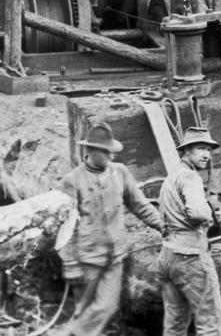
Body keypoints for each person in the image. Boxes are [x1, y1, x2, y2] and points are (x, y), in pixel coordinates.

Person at [57, 122, 163, 336]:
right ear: (90, 151)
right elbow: (64, 226)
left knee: (107, 306)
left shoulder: (120, 172)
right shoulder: (72, 180)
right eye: (106, 152)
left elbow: (139, 204)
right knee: (84, 309)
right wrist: (69, 262)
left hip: (115, 256)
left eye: (111, 152)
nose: (111, 157)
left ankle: (70, 333)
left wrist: (163, 226)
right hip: (87, 258)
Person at [158, 126, 221, 336]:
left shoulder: (170, 178)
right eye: (200, 148)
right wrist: (211, 213)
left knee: (175, 324)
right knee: (211, 324)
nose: (206, 154)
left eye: (208, 149)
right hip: (191, 258)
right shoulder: (190, 177)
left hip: (168, 255)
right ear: (186, 151)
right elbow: (199, 213)